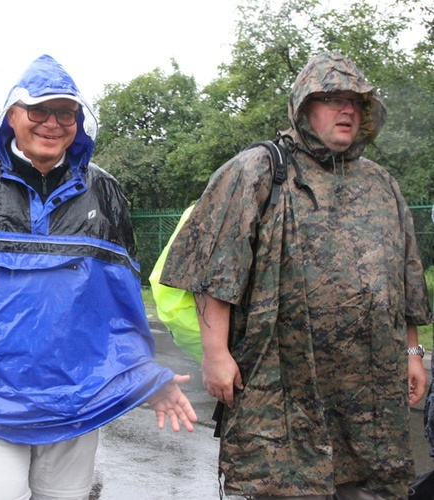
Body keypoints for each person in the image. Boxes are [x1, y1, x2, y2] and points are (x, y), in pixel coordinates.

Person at [0, 54, 198, 499]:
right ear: (12, 115)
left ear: (79, 120)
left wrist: (142, 376)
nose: (52, 122)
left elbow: (118, 305)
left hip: (75, 394)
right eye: (38, 110)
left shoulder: (103, 192)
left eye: (65, 112)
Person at [159, 51, 432, 499]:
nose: (347, 109)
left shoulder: (381, 184)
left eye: (356, 101)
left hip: (370, 394)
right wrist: (215, 355)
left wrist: (413, 351)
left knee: (372, 485)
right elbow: (214, 272)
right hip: (285, 389)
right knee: (288, 488)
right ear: (304, 107)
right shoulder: (258, 170)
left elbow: (406, 276)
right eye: (332, 98)